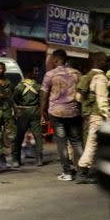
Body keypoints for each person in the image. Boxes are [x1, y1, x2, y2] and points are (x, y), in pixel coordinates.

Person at [41, 49, 83, 181]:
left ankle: (67, 172)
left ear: (55, 59)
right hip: (74, 112)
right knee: (76, 142)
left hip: (56, 113)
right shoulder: (77, 73)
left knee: (61, 142)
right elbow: (82, 94)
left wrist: (42, 111)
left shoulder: (50, 75)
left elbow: (44, 95)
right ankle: (82, 170)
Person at [76, 52, 110, 184]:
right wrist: (108, 116)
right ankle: (83, 171)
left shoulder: (87, 76)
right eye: (105, 60)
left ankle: (88, 170)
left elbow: (78, 97)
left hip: (89, 114)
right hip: (98, 115)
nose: (106, 63)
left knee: (93, 143)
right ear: (100, 61)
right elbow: (102, 99)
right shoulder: (100, 77)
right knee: (92, 144)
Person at [12, 66, 43, 167]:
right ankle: (39, 159)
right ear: (30, 74)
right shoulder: (38, 86)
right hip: (34, 112)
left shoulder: (19, 86)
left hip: (23, 112)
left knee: (19, 136)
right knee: (37, 136)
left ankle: (16, 160)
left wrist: (19, 106)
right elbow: (41, 99)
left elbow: (15, 98)